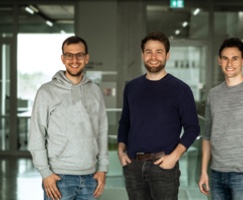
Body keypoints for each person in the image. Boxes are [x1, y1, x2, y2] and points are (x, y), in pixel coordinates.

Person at [117, 31, 200, 200]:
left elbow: (193, 128)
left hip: (164, 167)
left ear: (167, 55)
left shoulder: (181, 90)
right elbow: (125, 122)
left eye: (159, 52)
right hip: (133, 165)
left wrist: (174, 157)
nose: (153, 56)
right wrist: (120, 149)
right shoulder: (131, 87)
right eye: (149, 52)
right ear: (142, 55)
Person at [28, 36, 109, 200]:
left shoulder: (95, 91)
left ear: (86, 58)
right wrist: (45, 173)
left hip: (90, 177)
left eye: (79, 55)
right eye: (69, 55)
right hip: (59, 178)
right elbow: (36, 134)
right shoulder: (47, 92)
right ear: (62, 58)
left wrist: (102, 169)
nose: (74, 60)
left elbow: (102, 131)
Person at [198, 38, 243, 200]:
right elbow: (207, 135)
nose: (229, 63)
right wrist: (204, 171)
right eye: (225, 58)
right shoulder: (214, 94)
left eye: (235, 58)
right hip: (217, 173)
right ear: (219, 61)